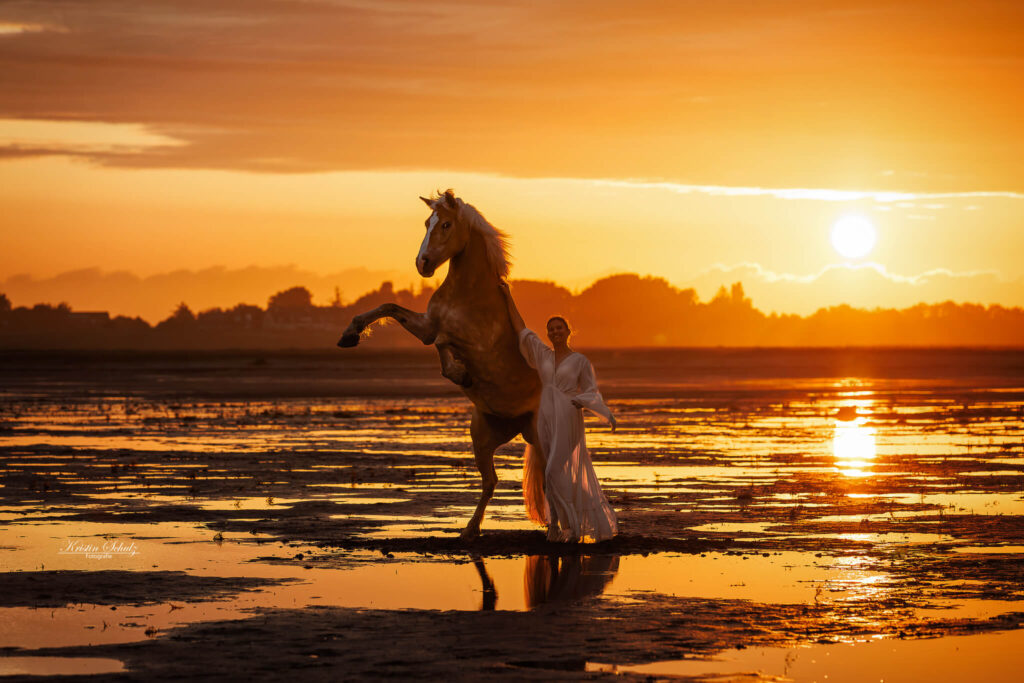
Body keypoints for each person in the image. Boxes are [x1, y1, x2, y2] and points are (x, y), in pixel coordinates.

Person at [498, 281, 618, 542]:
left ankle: (570, 526)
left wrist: (595, 408)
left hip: (568, 417)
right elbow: (521, 328)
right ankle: (557, 526)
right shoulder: (541, 355)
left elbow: (590, 390)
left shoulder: (579, 361)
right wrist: (508, 295)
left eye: (559, 328)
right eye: (551, 329)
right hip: (546, 417)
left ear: (567, 331)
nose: (554, 332)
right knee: (551, 472)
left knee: (553, 471)